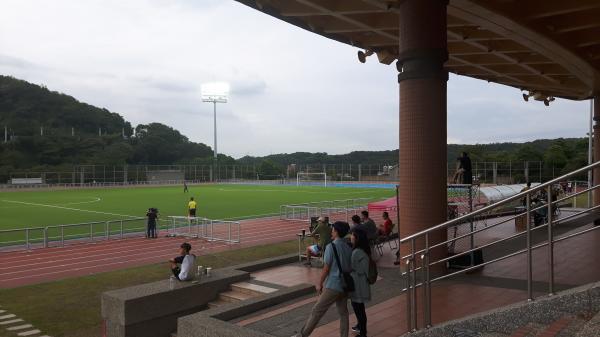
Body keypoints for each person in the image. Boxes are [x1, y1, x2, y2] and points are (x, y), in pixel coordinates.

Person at [293, 221, 352, 337]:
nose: (332, 231)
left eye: (333, 229)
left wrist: (320, 284)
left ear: (337, 232)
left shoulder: (331, 247)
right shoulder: (348, 246)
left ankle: (303, 335)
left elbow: (326, 268)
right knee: (343, 313)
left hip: (333, 285)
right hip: (345, 285)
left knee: (317, 310)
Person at [349, 228, 371, 337]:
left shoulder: (357, 252)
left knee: (359, 310)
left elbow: (353, 268)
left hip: (358, 285)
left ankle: (363, 333)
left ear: (357, 238)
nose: (350, 237)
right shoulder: (363, 250)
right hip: (361, 284)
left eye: (352, 235)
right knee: (360, 309)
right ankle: (362, 331)